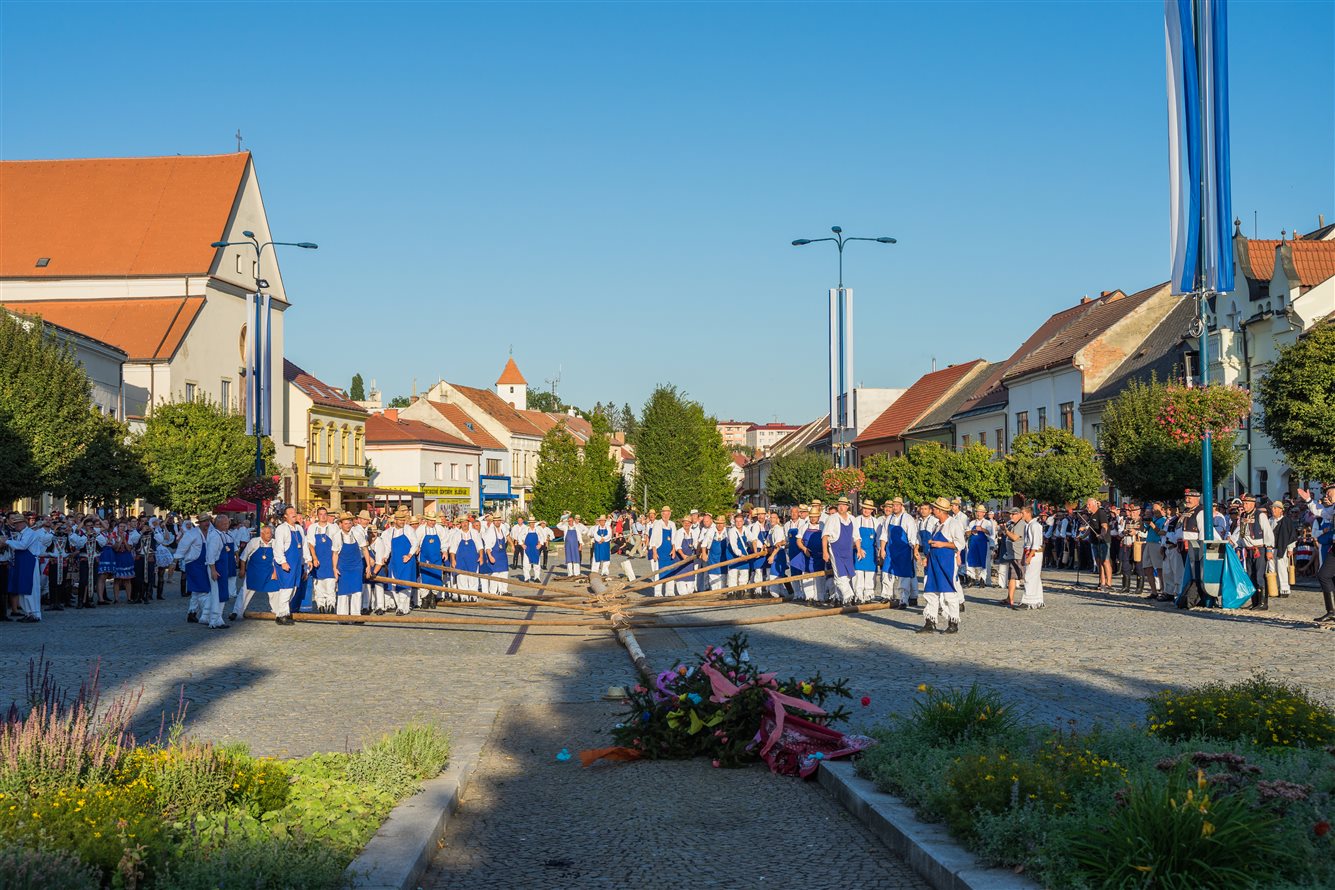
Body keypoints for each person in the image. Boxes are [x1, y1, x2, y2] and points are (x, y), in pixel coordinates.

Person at [918, 498, 960, 634]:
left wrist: (943, 544)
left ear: (941, 511)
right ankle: (930, 622)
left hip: (946, 562)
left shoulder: (953, 524)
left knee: (948, 593)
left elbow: (960, 544)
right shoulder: (937, 525)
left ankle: (953, 622)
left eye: (935, 508)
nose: (933, 510)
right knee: (930, 591)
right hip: (934, 562)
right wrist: (928, 557)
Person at [1297, 484, 1335, 622]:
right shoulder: (1333, 508)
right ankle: (1331, 611)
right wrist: (1308, 501)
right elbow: (1322, 513)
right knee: (1324, 575)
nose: (1327, 496)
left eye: (1329, 492)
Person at [5, 514, 53, 622]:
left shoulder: (30, 533)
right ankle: (28, 612)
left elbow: (23, 545)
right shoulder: (21, 533)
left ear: (22, 523)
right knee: (23, 588)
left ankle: (34, 613)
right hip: (23, 563)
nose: (15, 526)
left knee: (31, 588)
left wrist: (7, 542)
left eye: (16, 524)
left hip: (29, 563)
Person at [878, 498, 917, 608]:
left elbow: (912, 538)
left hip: (904, 551)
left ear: (901, 506)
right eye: (892, 505)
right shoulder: (889, 519)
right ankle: (886, 595)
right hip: (891, 550)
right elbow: (884, 535)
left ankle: (903, 599)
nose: (894, 507)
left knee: (903, 575)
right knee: (886, 572)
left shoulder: (908, 519)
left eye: (896, 505)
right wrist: (882, 549)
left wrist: (914, 551)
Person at [1238, 495, 1274, 611]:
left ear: (1253, 503)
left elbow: (1268, 532)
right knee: (1250, 575)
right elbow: (1242, 534)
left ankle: (1263, 603)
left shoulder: (1260, 515)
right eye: (1244, 503)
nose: (1244, 505)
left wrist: (1269, 549)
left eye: (1247, 503)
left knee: (1259, 575)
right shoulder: (1243, 515)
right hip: (1248, 549)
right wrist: (1239, 547)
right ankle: (1255, 602)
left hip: (1259, 549)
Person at [821, 497, 859, 606]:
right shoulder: (833, 518)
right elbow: (825, 536)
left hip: (848, 551)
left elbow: (856, 536)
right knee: (839, 575)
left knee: (847, 575)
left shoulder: (852, 519)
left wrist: (859, 549)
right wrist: (825, 552)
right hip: (835, 550)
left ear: (847, 507)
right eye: (839, 505)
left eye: (843, 505)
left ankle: (842, 598)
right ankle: (849, 596)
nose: (841, 507)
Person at [272, 506, 307, 626]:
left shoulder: (299, 528)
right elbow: (278, 547)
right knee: (286, 588)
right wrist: (282, 562)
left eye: (295, 512)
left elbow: (304, 545)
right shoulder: (281, 529)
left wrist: (307, 560)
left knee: (294, 589)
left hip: (297, 563)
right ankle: (281, 615)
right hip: (287, 562)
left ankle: (285, 612)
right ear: (285, 516)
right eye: (291, 512)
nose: (294, 514)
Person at [236, 522, 278, 620]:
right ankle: (237, 612)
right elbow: (244, 557)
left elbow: (276, 560)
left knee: (274, 592)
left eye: (270, 533)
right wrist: (242, 570)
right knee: (245, 592)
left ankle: (277, 612)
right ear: (262, 534)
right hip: (254, 572)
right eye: (267, 533)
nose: (270, 535)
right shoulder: (254, 542)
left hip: (269, 571)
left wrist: (275, 572)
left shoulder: (275, 543)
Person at [331, 512, 367, 621]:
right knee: (343, 592)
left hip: (356, 566)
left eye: (349, 523)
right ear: (341, 524)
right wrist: (334, 568)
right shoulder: (337, 536)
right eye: (346, 523)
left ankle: (356, 616)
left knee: (357, 591)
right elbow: (335, 554)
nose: (348, 525)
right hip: (343, 567)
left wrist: (368, 566)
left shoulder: (357, 534)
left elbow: (365, 549)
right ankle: (343, 616)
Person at [205, 515, 235, 629]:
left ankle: (218, 618)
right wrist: (213, 570)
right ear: (217, 524)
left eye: (227, 523)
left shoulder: (222, 535)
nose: (226, 525)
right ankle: (213, 620)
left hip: (222, 567)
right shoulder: (214, 536)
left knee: (222, 593)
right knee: (216, 594)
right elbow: (211, 555)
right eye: (224, 524)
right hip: (216, 567)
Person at [306, 508, 337, 614]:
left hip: (330, 559)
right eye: (321, 514)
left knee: (330, 584)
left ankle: (331, 604)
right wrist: (314, 558)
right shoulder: (312, 528)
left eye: (325, 514)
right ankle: (321, 605)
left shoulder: (333, 527)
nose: (323, 516)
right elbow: (311, 544)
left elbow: (337, 545)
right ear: (317, 515)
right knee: (319, 584)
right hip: (318, 559)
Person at [994, 506, 1024, 607]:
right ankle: (1009, 598)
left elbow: (1015, 538)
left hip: (1018, 554)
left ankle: (1020, 599)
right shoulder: (1012, 524)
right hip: (1012, 553)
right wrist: (1003, 529)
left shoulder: (1021, 524)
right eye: (1010, 514)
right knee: (1012, 577)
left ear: (1020, 514)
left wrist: (1006, 531)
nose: (1011, 516)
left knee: (1018, 576)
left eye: (1013, 514)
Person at [449, 515, 483, 604]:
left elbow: (480, 546)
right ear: (460, 524)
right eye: (463, 522)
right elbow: (453, 549)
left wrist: (481, 556)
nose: (464, 524)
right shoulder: (456, 535)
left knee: (473, 578)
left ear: (469, 523)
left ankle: (473, 596)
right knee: (461, 578)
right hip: (461, 560)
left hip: (472, 559)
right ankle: (464, 596)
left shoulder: (474, 533)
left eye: (466, 522)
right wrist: (453, 560)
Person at [1018, 503, 1045, 610]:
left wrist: (1030, 556)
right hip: (1029, 551)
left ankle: (1027, 600)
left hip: (1034, 553)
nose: (1022, 515)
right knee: (1035, 577)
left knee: (1029, 576)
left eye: (1023, 513)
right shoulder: (1028, 525)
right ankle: (1038, 599)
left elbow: (1036, 542)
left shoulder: (1035, 526)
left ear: (1029, 513)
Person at [1269, 500, 1298, 599]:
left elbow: (1291, 535)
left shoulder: (1286, 521)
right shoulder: (1270, 520)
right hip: (1271, 548)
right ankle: (1274, 588)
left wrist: (1290, 548)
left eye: (1275, 508)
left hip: (1282, 547)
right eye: (1272, 508)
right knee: (1272, 569)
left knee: (1282, 569)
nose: (1273, 510)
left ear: (1281, 510)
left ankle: (1284, 589)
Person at [852, 500, 878, 603]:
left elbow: (879, 537)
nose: (867, 510)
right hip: (858, 549)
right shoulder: (857, 520)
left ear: (872, 510)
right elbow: (855, 535)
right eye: (865, 508)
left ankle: (868, 595)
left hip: (871, 551)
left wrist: (879, 550)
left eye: (869, 509)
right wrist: (858, 548)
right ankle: (858, 595)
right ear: (862, 509)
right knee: (858, 574)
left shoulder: (875, 522)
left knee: (870, 574)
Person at [964, 505, 994, 588]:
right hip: (973, 544)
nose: (978, 513)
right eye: (977, 512)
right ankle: (971, 578)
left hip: (983, 544)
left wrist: (982, 529)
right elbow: (966, 533)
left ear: (984, 513)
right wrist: (971, 531)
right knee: (970, 560)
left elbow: (990, 533)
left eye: (980, 512)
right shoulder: (972, 522)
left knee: (983, 561)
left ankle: (982, 579)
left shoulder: (987, 523)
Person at [649, 507, 676, 597]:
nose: (666, 515)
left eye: (668, 513)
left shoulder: (672, 524)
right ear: (662, 514)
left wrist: (673, 549)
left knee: (670, 571)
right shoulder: (658, 524)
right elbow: (653, 539)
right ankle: (658, 592)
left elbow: (674, 538)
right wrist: (654, 552)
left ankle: (670, 591)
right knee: (659, 571)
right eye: (664, 513)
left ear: (670, 514)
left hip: (669, 552)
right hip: (660, 550)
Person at [483, 514, 511, 594]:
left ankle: (503, 590)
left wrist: (512, 545)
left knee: (504, 573)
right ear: (493, 521)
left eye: (499, 520)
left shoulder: (503, 528)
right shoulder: (490, 531)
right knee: (494, 574)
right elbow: (487, 546)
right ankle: (493, 592)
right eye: (496, 521)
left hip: (502, 555)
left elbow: (508, 536)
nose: (498, 522)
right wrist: (490, 556)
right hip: (494, 554)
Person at [556, 513, 582, 578]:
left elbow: (579, 536)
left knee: (576, 558)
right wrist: (564, 521)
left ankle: (577, 573)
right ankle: (570, 574)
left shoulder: (576, 528)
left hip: (575, 545)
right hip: (567, 545)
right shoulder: (565, 527)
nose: (570, 522)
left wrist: (581, 545)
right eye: (569, 521)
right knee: (569, 559)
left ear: (573, 521)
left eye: (571, 521)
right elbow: (558, 526)